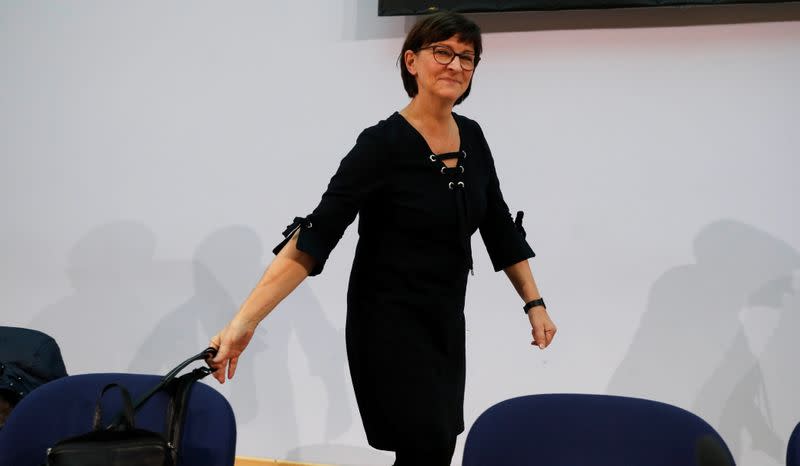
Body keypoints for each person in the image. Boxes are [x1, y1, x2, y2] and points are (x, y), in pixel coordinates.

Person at [208, 11, 556, 466]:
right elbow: (315, 235)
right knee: (424, 444)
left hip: (445, 320)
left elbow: (499, 224)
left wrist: (534, 303)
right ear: (412, 61)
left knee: (437, 446)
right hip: (388, 324)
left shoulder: (472, 136)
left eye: (467, 57)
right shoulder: (381, 145)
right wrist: (243, 323)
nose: (456, 65)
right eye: (443, 52)